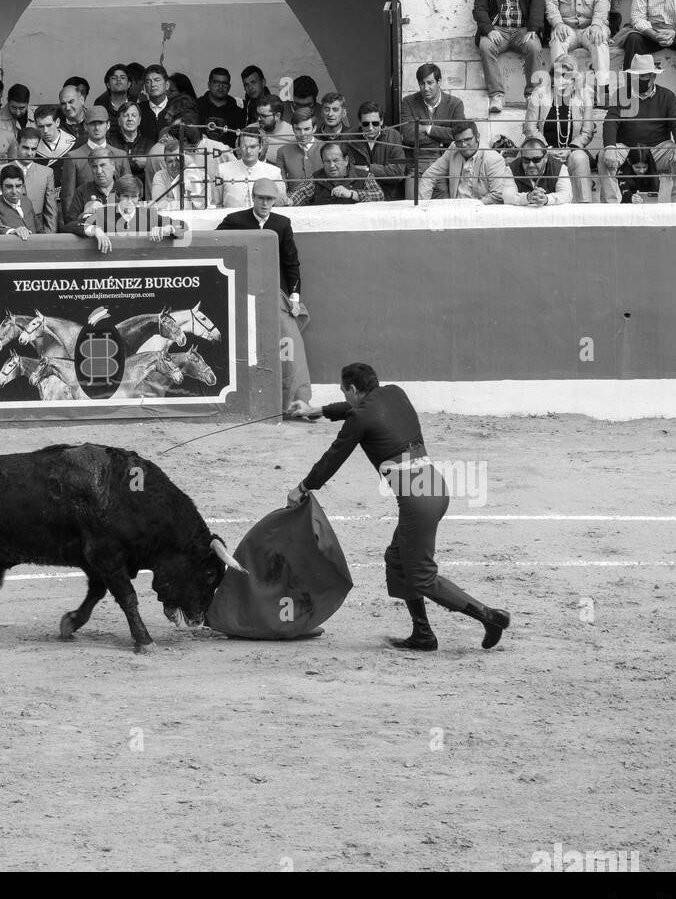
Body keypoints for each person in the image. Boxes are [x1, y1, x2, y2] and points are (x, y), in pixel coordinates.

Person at [287, 362, 511, 652]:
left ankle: (488, 616)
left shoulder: (361, 417)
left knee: (422, 577)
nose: (345, 396)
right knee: (396, 559)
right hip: (434, 487)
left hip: (419, 503)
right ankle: (423, 634)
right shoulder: (394, 393)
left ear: (353, 389)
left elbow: (333, 458)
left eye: (345, 391)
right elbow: (353, 410)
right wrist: (314, 410)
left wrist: (303, 487)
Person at [216, 178, 311, 412]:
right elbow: (216, 247)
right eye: (261, 199)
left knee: (285, 341)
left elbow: (291, 264)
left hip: (273, 294)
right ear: (253, 198)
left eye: (270, 199)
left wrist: (295, 299)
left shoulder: (282, 223)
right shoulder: (235, 221)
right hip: (241, 292)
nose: (265, 204)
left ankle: (292, 401)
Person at [599, 53, 676, 203]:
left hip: (657, 150)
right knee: (605, 156)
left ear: (653, 77)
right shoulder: (621, 94)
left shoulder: (667, 96)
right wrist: (609, 146)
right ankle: (610, 207)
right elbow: (611, 121)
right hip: (628, 150)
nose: (638, 80)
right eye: (636, 76)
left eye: (643, 77)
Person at [474, 0, 545, 115]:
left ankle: (532, 94)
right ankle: (496, 95)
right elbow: (479, 9)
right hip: (499, 30)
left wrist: (533, 29)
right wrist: (489, 30)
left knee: (534, 47)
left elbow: (538, 1)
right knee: (485, 45)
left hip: (522, 30)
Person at [524, 57, 596, 204]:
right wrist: (546, 149)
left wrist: (570, 149)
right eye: (557, 75)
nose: (560, 80)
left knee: (580, 158)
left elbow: (587, 132)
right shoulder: (539, 93)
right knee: (535, 158)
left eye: (565, 75)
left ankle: (584, 206)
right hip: (544, 151)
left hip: (570, 151)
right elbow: (530, 127)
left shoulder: (584, 96)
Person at [420, 120, 519, 203]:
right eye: (459, 141)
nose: (463, 145)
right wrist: (422, 207)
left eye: (467, 139)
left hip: (480, 213)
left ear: (477, 137)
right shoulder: (453, 149)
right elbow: (429, 176)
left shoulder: (493, 159)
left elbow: (497, 195)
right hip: (455, 209)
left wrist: (471, 208)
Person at [400, 62, 465, 172]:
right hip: (417, 164)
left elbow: (458, 134)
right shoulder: (408, 102)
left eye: (430, 83)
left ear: (439, 82)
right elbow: (408, 135)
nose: (425, 88)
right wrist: (440, 141)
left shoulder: (455, 104)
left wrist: (427, 129)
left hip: (446, 164)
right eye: (422, 83)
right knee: (413, 189)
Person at [214, 125, 285, 207]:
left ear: (261, 147)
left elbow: (280, 205)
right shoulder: (222, 170)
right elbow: (216, 204)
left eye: (253, 147)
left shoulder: (274, 172)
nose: (248, 151)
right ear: (238, 147)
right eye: (244, 147)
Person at [309, 139, 382, 204]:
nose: (331, 165)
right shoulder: (315, 178)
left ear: (346, 160)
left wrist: (352, 194)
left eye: (336, 160)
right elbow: (299, 194)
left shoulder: (364, 177)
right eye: (327, 161)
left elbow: (379, 195)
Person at [510, 133, 573, 207]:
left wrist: (546, 199)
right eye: (526, 160)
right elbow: (507, 196)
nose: (531, 165)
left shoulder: (560, 168)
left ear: (545, 158)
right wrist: (527, 197)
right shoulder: (511, 169)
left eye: (536, 159)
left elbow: (567, 195)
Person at [0, 163, 40, 237]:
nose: (14, 191)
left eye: (18, 186)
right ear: (0, 187)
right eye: (9, 187)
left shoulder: (26, 201)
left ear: (23, 187)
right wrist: (12, 231)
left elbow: (38, 229)